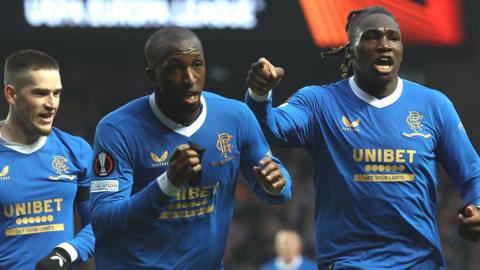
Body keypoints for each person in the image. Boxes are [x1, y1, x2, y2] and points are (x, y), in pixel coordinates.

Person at [245, 6, 480, 269]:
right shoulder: (319, 102)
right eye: (372, 37)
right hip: (348, 263)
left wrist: (478, 206)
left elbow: (473, 172)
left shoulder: (434, 105)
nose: (384, 45)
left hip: (420, 263)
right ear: (351, 49)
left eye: (393, 37)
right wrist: (259, 94)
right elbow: (272, 127)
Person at [89, 26, 292, 269]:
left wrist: (277, 185)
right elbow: (103, 222)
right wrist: (168, 184)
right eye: (175, 68)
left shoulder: (235, 117)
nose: (189, 79)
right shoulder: (117, 129)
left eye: (197, 64)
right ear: (152, 75)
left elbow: (281, 191)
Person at [0, 49, 94, 269]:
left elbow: (101, 222)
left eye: (57, 93)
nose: (52, 104)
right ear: (11, 95)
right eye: (41, 93)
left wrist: (65, 253)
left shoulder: (76, 150)